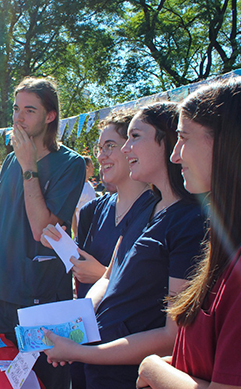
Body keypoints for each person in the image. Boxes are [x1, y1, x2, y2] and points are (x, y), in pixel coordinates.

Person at [41, 102, 206, 389]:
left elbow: (173, 335)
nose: (126, 149)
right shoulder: (148, 211)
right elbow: (109, 277)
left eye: (135, 137)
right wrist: (70, 325)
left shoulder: (190, 221)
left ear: (166, 142)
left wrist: (81, 351)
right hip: (96, 371)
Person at [0, 77, 86, 389]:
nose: (18, 117)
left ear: (50, 115)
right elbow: (4, 228)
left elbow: (43, 230)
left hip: (41, 297)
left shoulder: (70, 164)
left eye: (29, 110)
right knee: (6, 379)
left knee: (45, 382)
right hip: (1, 293)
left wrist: (30, 166)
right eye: (16, 109)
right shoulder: (12, 162)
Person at [137, 78, 241, 388]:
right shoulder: (229, 241)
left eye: (184, 138)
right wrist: (177, 366)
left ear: (229, 144)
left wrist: (151, 368)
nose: (175, 155)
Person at [68, 110, 157, 389]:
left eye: (110, 146)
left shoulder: (159, 212)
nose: (101, 156)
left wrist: (103, 275)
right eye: (99, 148)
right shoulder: (93, 210)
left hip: (129, 356)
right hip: (85, 343)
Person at [71, 155, 97, 237]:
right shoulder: (79, 187)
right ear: (86, 167)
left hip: (90, 231)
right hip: (82, 232)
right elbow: (73, 212)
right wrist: (75, 233)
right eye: (92, 166)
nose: (93, 168)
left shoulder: (89, 185)